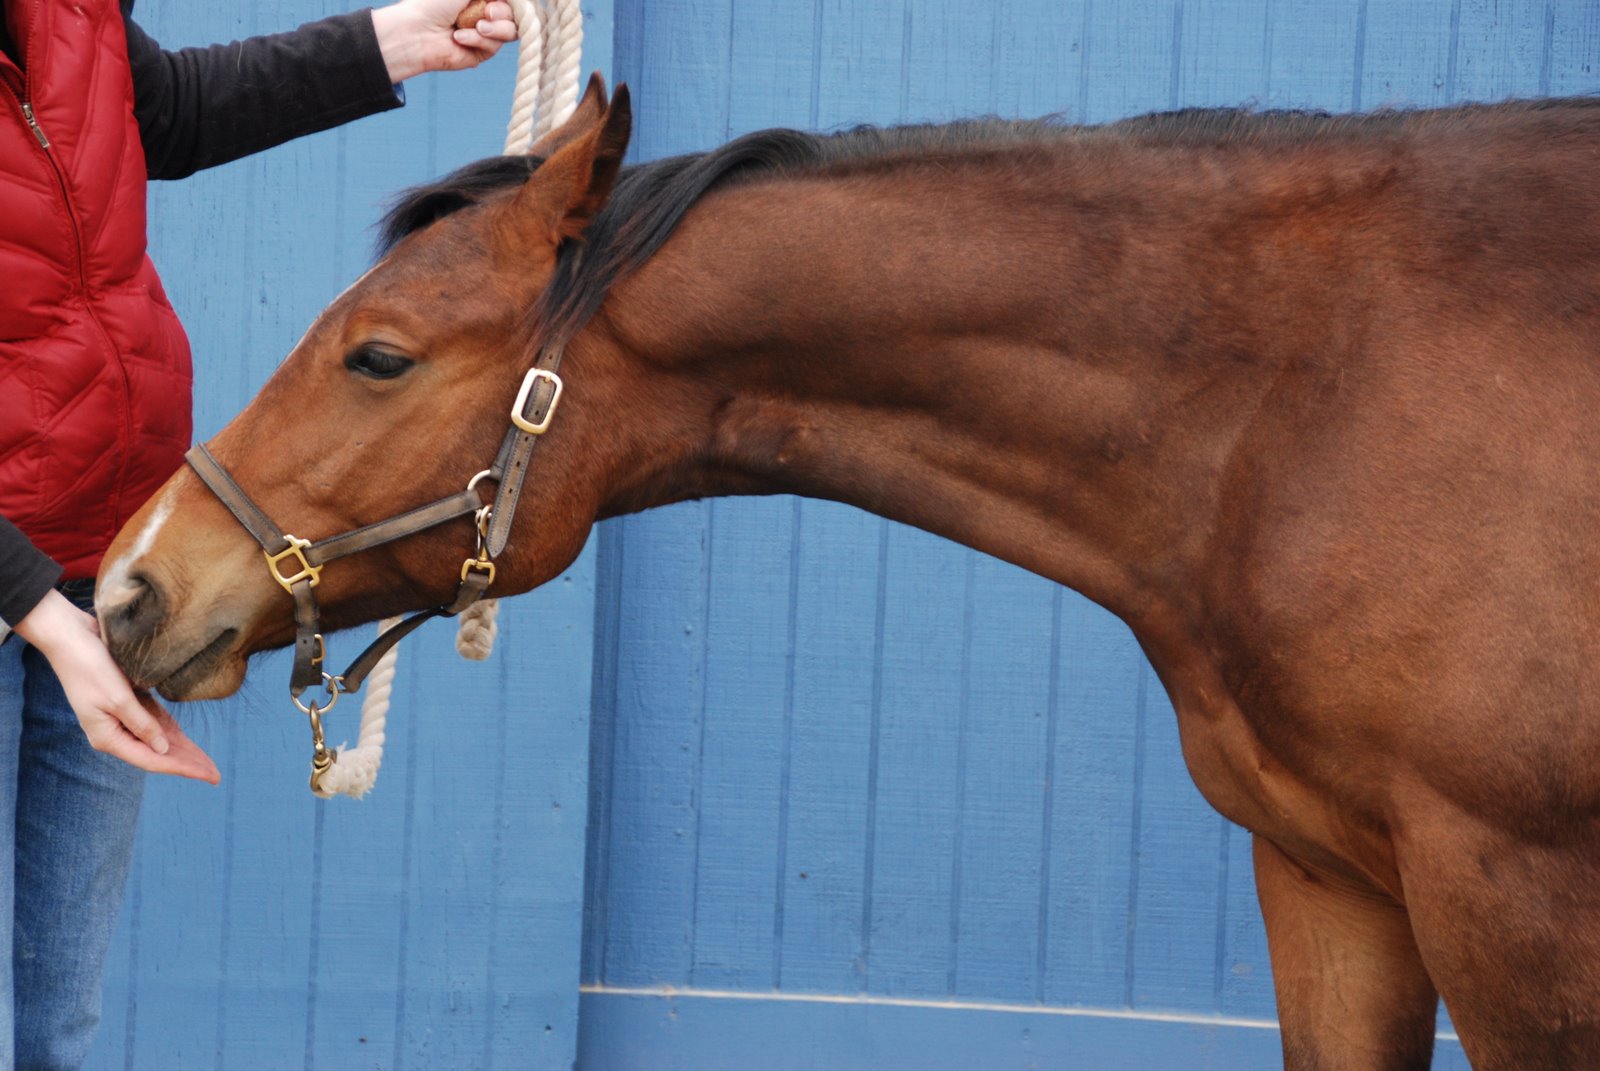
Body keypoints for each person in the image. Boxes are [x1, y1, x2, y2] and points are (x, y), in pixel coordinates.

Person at [0, 1, 517, 1065]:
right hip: (39, 601)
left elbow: (165, 111)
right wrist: (35, 613)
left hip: (99, 562)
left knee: (59, 1026)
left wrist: (404, 36)